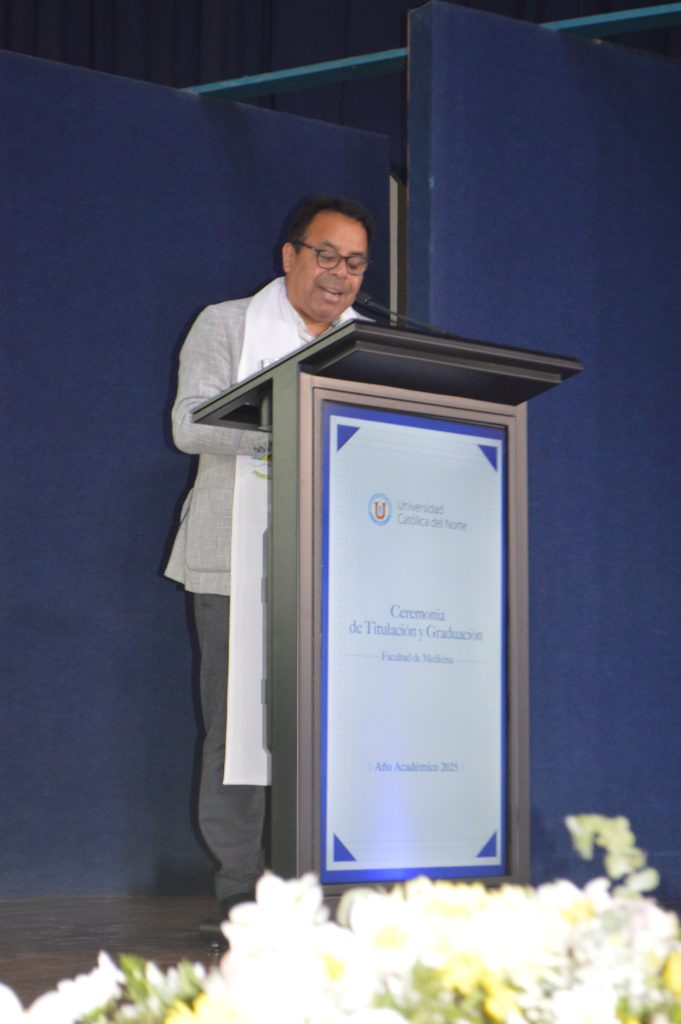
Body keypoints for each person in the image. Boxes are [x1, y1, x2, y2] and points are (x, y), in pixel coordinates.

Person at [165, 195, 373, 920]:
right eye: (326, 255)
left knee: (329, 730)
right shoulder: (227, 324)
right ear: (290, 256)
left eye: (354, 264)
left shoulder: (367, 346)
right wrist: (292, 432)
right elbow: (189, 425)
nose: (339, 274)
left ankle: (316, 882)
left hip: (339, 566)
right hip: (234, 559)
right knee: (241, 729)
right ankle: (239, 890)